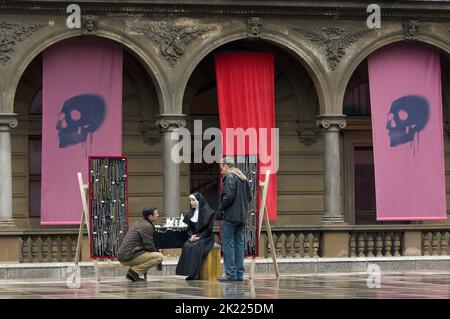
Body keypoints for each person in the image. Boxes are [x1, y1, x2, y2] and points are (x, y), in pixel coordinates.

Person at [216, 156, 251, 282]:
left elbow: (228, 196)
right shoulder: (243, 177)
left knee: (228, 244)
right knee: (239, 244)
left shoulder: (230, 176)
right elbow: (250, 197)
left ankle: (231, 273)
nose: (221, 171)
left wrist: (220, 209)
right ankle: (239, 274)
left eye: (221, 168)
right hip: (242, 217)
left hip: (230, 216)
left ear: (226, 166)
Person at [117, 207, 164, 282]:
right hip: (129, 256)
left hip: (127, 254)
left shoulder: (141, 222)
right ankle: (133, 272)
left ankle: (133, 273)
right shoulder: (146, 226)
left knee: (156, 254)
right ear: (150, 216)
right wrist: (156, 251)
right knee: (159, 257)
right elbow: (148, 245)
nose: (157, 215)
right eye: (156, 214)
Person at [176, 192, 215, 280]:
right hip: (194, 237)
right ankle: (188, 273)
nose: (191, 202)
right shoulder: (191, 213)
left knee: (196, 246)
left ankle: (195, 273)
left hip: (206, 238)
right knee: (186, 245)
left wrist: (199, 237)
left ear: (199, 201)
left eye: (193, 200)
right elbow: (189, 229)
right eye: (190, 201)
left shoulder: (209, 213)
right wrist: (191, 236)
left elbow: (208, 229)